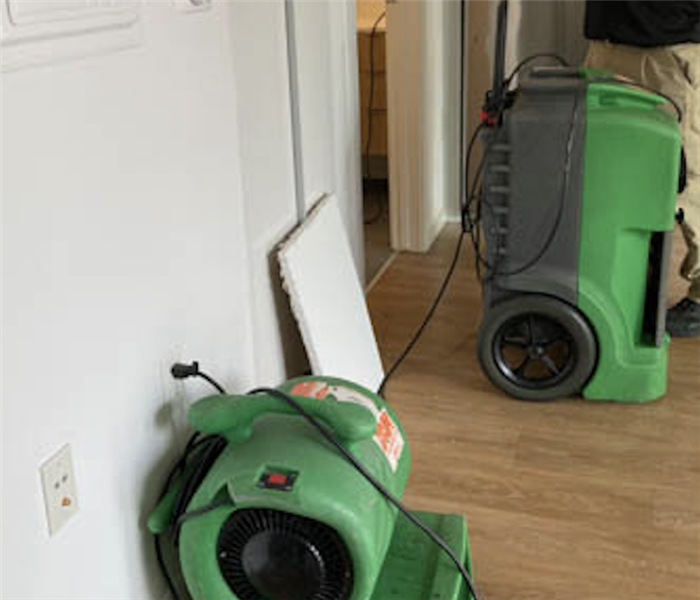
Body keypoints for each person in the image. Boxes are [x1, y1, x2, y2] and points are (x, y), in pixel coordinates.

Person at [584, 0, 700, 337]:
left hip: (670, 51)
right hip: (606, 45)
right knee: (607, 172)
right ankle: (622, 278)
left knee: (687, 177)